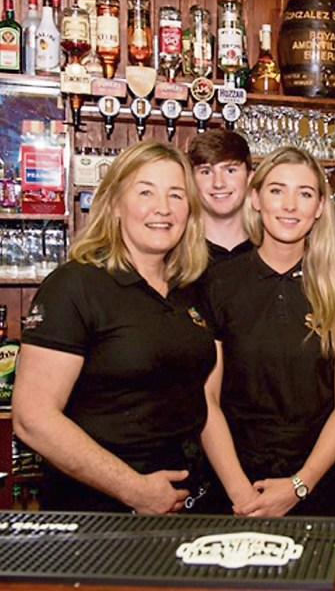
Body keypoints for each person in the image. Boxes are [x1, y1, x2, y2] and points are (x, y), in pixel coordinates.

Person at [12, 140, 214, 513]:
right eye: (145, 192)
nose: (163, 209)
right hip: (101, 513)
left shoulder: (189, 289)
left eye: (176, 195)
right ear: (116, 204)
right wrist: (134, 489)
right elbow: (32, 417)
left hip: (187, 507)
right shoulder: (76, 285)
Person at [201, 146, 335, 517]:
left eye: (305, 194)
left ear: (321, 206)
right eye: (277, 190)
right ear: (256, 198)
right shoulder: (217, 283)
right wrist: (240, 492)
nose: (290, 205)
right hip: (234, 483)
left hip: (321, 484)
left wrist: (300, 484)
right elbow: (206, 398)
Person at [187, 129, 253, 262]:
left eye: (230, 170)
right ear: (191, 180)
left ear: (250, 178)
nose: (218, 183)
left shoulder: (270, 251)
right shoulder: (177, 256)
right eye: (206, 172)